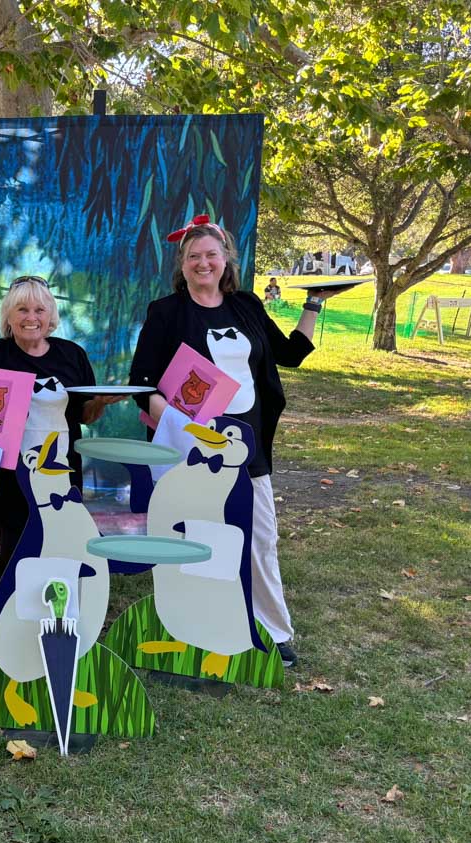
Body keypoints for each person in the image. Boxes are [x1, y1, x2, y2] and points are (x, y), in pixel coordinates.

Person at [127, 214, 338, 668]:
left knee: (260, 535)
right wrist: (182, 427)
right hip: (194, 447)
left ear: (225, 260)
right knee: (200, 535)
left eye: (210, 255)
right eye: (193, 257)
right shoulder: (165, 312)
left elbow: (291, 354)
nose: (202, 264)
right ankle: (204, 623)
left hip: (247, 442)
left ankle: (272, 629)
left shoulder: (246, 306)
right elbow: (142, 382)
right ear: (182, 266)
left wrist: (314, 304)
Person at [0, 276, 124, 577]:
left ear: (51, 315)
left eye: (39, 309)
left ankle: (61, 622)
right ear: (8, 315)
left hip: (62, 477)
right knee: (15, 563)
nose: (31, 318)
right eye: (22, 309)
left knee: (63, 557)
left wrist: (101, 400)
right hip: (12, 482)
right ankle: (14, 622)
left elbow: (84, 416)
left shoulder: (72, 355)